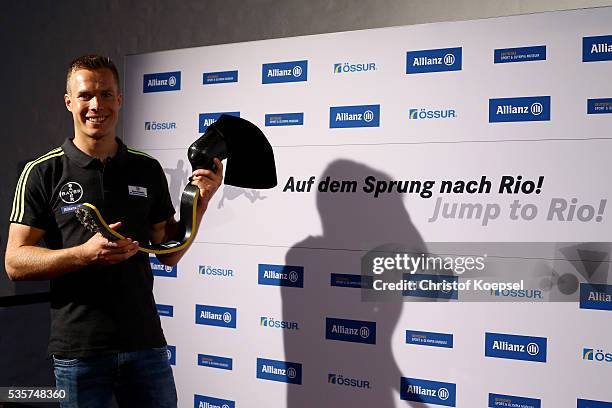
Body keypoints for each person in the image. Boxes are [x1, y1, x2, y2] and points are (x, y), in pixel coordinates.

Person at [4, 54, 223, 407]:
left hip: (145, 344)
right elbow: (15, 262)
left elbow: (169, 252)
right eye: (86, 95)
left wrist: (201, 201)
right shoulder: (42, 172)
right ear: (69, 102)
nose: (96, 105)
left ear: (119, 100)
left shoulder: (146, 168)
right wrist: (83, 255)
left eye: (106, 94)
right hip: (80, 352)